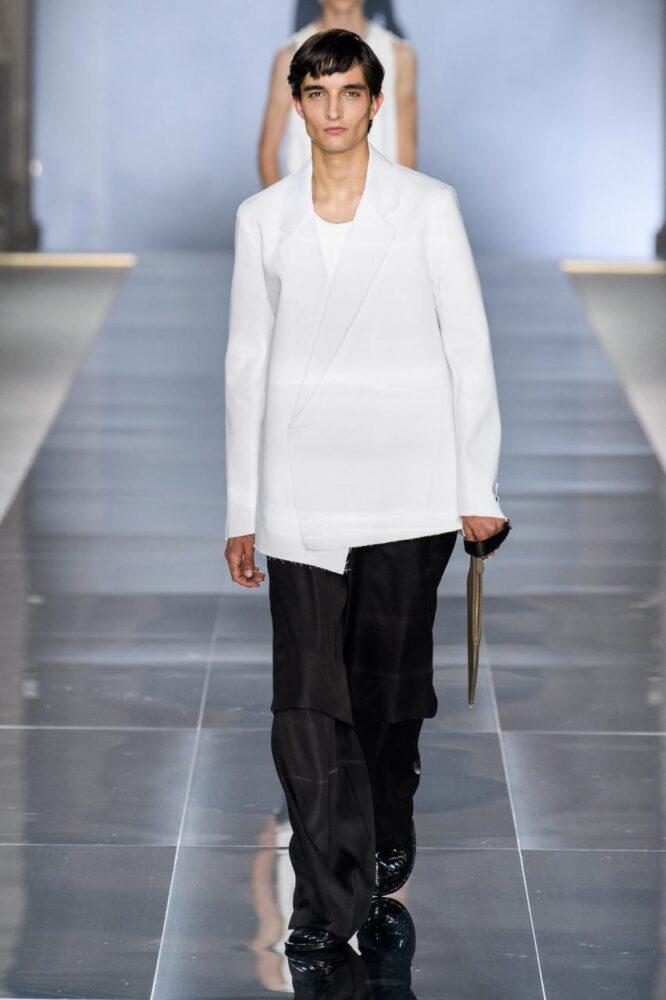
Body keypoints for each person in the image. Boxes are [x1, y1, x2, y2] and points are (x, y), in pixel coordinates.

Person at [224, 28, 508, 953]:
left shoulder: (427, 207)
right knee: (306, 699)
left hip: (408, 481)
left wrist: (477, 485)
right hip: (301, 484)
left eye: (351, 92)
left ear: (375, 104)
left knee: (385, 693)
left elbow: (467, 345)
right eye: (318, 93)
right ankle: (323, 897)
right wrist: (242, 508)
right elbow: (246, 363)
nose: (335, 110)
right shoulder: (263, 218)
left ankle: (389, 805)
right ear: (297, 105)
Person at [257, 0, 417, 185]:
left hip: (380, 194)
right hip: (308, 196)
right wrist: (286, 203)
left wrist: (398, 201)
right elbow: (268, 152)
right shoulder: (289, 56)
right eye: (317, 93)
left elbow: (406, 148)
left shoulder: (398, 55)